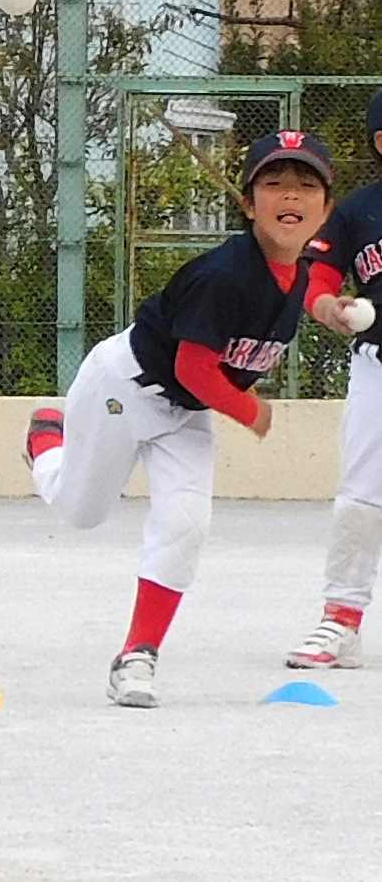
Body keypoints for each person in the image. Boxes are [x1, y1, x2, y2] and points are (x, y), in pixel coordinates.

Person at [30, 130, 334, 708]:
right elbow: (196, 369)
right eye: (273, 183)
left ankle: (137, 655)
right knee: (81, 512)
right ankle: (47, 438)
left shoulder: (299, 270)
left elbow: (311, 295)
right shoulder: (222, 276)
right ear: (249, 205)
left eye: (305, 185)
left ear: (325, 207)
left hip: (187, 413)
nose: (289, 195)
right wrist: (251, 411)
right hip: (126, 387)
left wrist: (335, 310)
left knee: (187, 524)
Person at [287, 96, 382, 669]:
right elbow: (318, 276)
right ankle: (341, 621)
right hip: (378, 364)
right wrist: (326, 306)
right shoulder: (359, 211)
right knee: (361, 496)